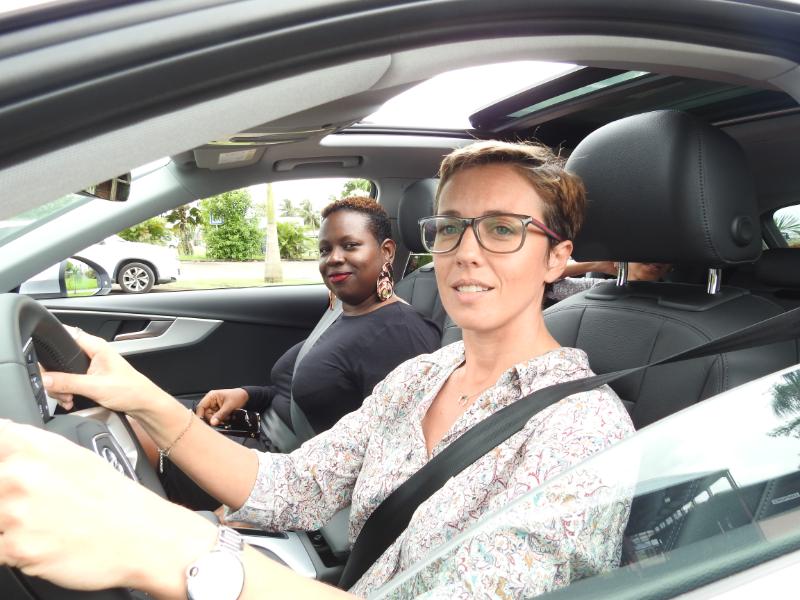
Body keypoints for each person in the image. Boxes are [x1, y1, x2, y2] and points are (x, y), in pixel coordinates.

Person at [2, 140, 635, 599]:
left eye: (502, 229)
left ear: (557, 259)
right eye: (450, 228)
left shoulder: (581, 428)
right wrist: (141, 397)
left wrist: (171, 548)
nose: (466, 251)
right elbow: (290, 487)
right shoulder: (420, 378)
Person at [149, 195, 442, 510]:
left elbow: (395, 456)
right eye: (325, 250)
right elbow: (302, 391)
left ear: (386, 251)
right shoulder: (346, 310)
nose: (334, 258)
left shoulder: (400, 335)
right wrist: (246, 394)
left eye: (350, 245)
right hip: (257, 431)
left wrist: (258, 509)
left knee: (143, 430)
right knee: (144, 419)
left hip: (279, 475)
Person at [547, 259, 673, 302]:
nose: (657, 257)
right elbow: (545, 278)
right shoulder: (599, 289)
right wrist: (597, 265)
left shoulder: (677, 296)